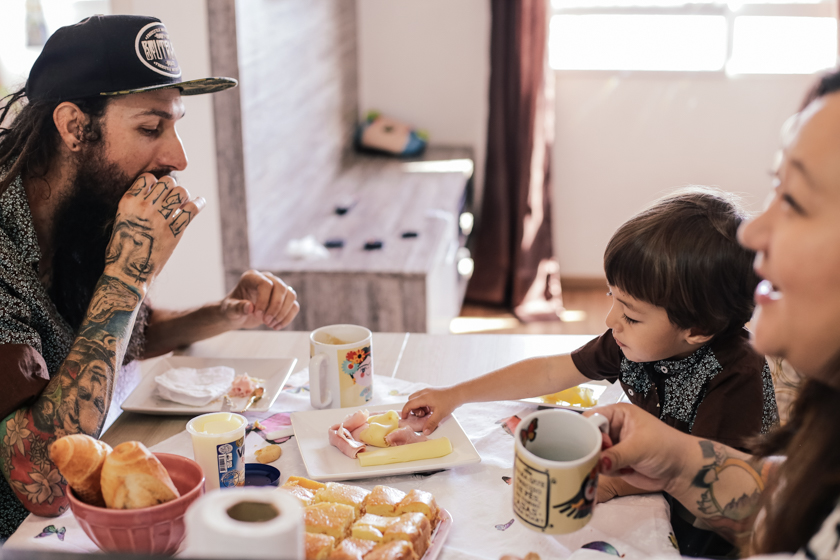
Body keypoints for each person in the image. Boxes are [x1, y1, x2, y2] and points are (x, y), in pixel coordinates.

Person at [0, 15, 299, 538]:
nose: (178, 157)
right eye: (150, 128)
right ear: (73, 126)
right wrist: (128, 273)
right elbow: (44, 479)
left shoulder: (83, 210)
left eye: (174, 125)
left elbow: (107, 341)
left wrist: (223, 313)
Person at [531, 69, 840, 560]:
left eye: (796, 202)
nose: (753, 232)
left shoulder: (736, 371)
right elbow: (793, 511)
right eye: (776, 189)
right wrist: (674, 462)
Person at [404, 187, 778, 554]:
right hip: (652, 487)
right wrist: (456, 394)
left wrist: (613, 485)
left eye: (631, 314)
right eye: (612, 297)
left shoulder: (736, 375)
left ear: (697, 330)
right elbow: (551, 371)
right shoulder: (634, 342)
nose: (611, 320)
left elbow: (709, 480)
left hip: (711, 534)